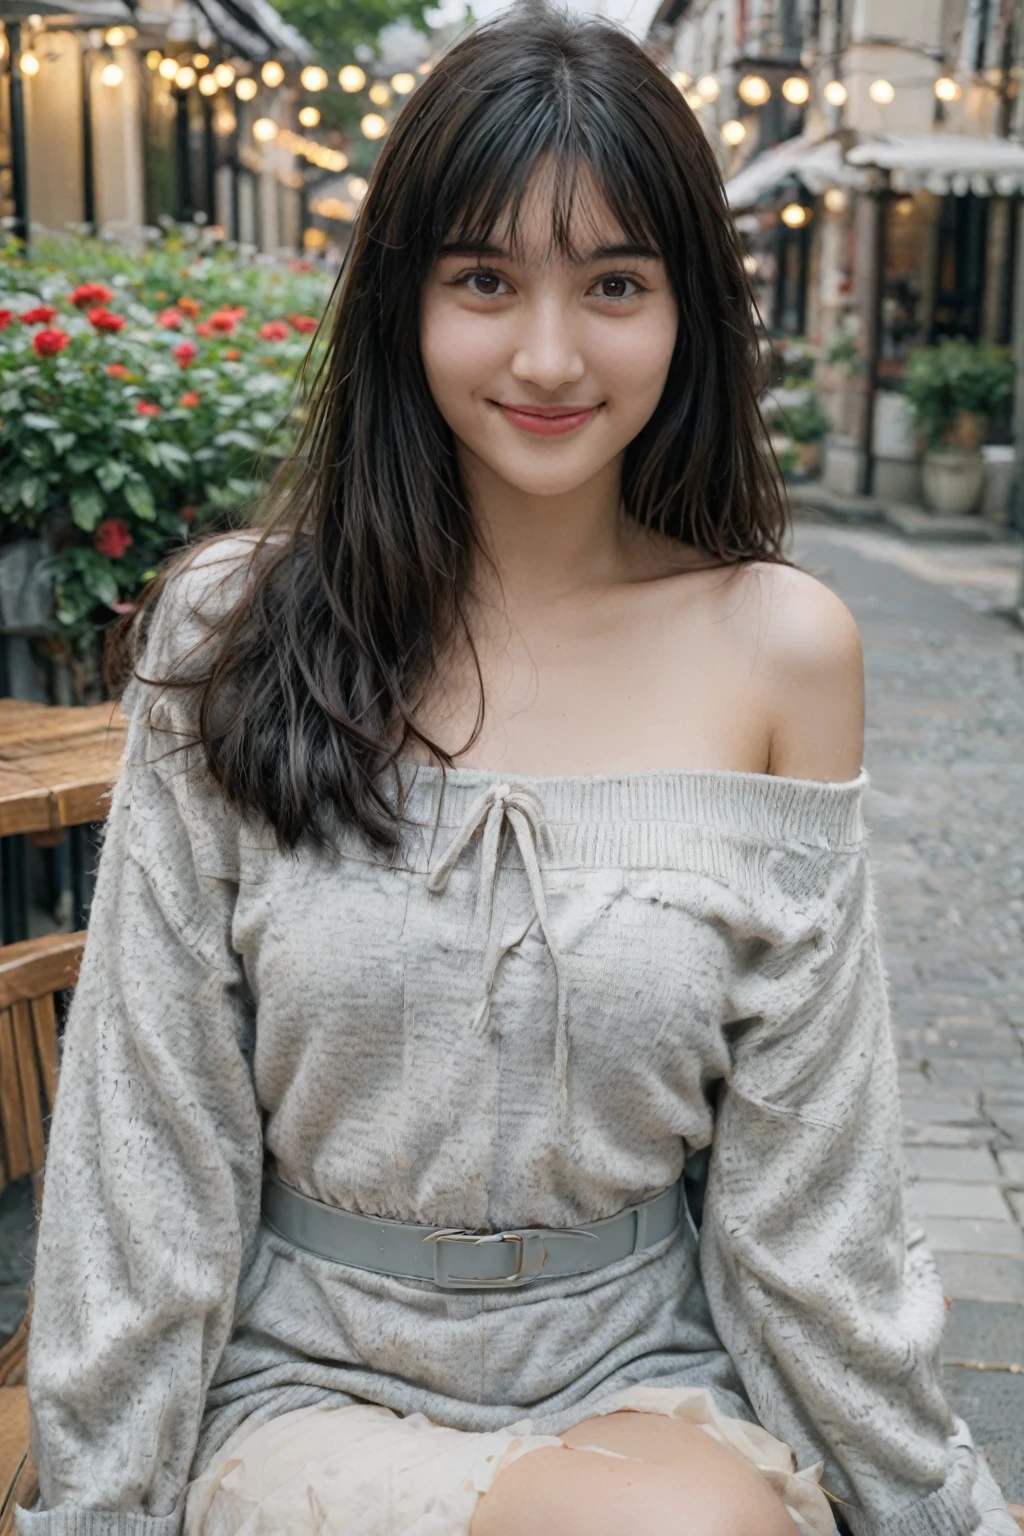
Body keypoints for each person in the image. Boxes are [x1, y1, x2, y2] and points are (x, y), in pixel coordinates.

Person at [18, 6, 1017, 1535]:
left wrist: (934, 1506)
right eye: (484, 279)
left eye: (614, 283)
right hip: (301, 1376)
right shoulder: (239, 625)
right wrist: (100, 1507)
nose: (548, 354)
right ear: (401, 299)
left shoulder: (781, 651)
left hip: (647, 1377)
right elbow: (147, 1148)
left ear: (690, 309)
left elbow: (813, 1195)